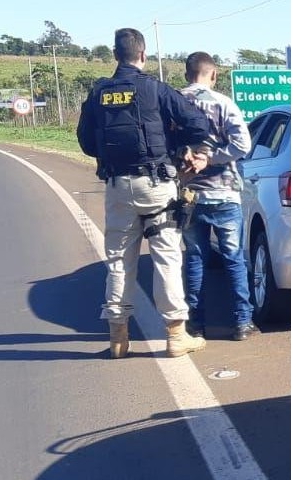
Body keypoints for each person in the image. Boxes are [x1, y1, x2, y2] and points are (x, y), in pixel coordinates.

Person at [77, 28, 211, 359]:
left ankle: (118, 338)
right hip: (157, 185)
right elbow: (199, 125)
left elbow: (86, 142)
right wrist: (183, 148)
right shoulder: (155, 89)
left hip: (117, 186)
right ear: (143, 55)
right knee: (167, 256)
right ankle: (176, 336)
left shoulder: (98, 94)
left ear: (114, 55)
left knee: (120, 261)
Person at [178, 52, 258, 341]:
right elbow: (242, 145)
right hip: (225, 193)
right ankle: (242, 323)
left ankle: (195, 323)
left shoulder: (173, 103)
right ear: (213, 75)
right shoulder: (224, 104)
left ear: (187, 74)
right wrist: (211, 158)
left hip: (189, 195)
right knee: (234, 259)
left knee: (195, 259)